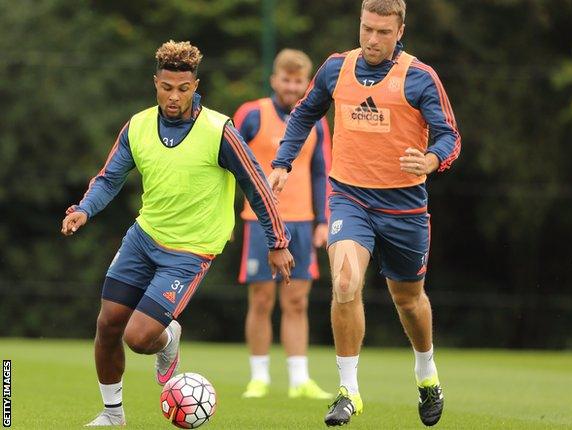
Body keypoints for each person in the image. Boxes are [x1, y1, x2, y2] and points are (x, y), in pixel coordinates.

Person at [60, 40, 294, 427]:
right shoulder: (137, 126)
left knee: (139, 338)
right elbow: (108, 179)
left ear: (195, 85)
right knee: (107, 325)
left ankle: (168, 339)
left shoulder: (219, 130)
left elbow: (256, 185)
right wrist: (84, 209)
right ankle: (112, 414)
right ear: (155, 83)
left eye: (183, 89)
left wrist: (278, 242)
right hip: (144, 237)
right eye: (167, 88)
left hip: (191, 251)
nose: (174, 96)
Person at [268, 0, 461, 426]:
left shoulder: (419, 77)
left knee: (408, 301)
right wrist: (283, 161)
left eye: (383, 32)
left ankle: (426, 373)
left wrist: (430, 161)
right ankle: (348, 391)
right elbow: (303, 114)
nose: (373, 40)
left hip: (405, 207)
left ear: (400, 30)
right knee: (344, 280)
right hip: (349, 198)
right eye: (367, 29)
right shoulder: (336, 68)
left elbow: (450, 136)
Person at [233, 49, 332, 400]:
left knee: (297, 302)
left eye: (298, 81)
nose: (291, 87)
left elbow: (323, 171)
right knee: (261, 300)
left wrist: (324, 220)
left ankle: (299, 380)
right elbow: (228, 162)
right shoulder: (251, 114)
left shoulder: (316, 121)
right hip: (259, 221)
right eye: (286, 80)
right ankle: (258, 377)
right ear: (274, 80)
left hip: (303, 222)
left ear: (307, 84)